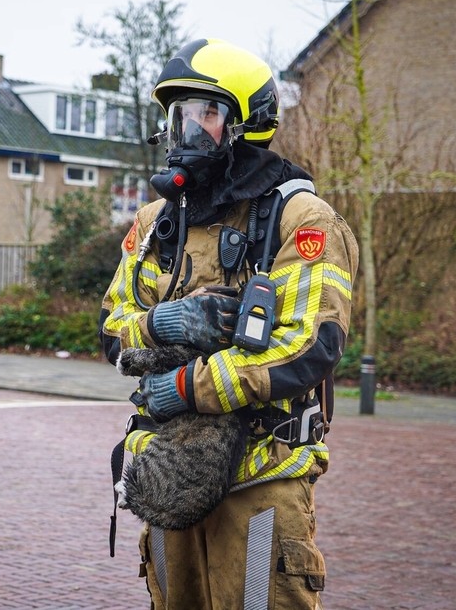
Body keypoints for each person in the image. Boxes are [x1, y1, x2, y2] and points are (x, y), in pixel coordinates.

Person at [99, 38, 359, 610]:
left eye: (206, 114)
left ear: (249, 124)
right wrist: (165, 323)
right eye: (179, 115)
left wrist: (186, 386)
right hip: (168, 473)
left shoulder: (303, 219)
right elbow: (113, 328)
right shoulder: (156, 222)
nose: (187, 130)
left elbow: (308, 347)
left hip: (262, 480)